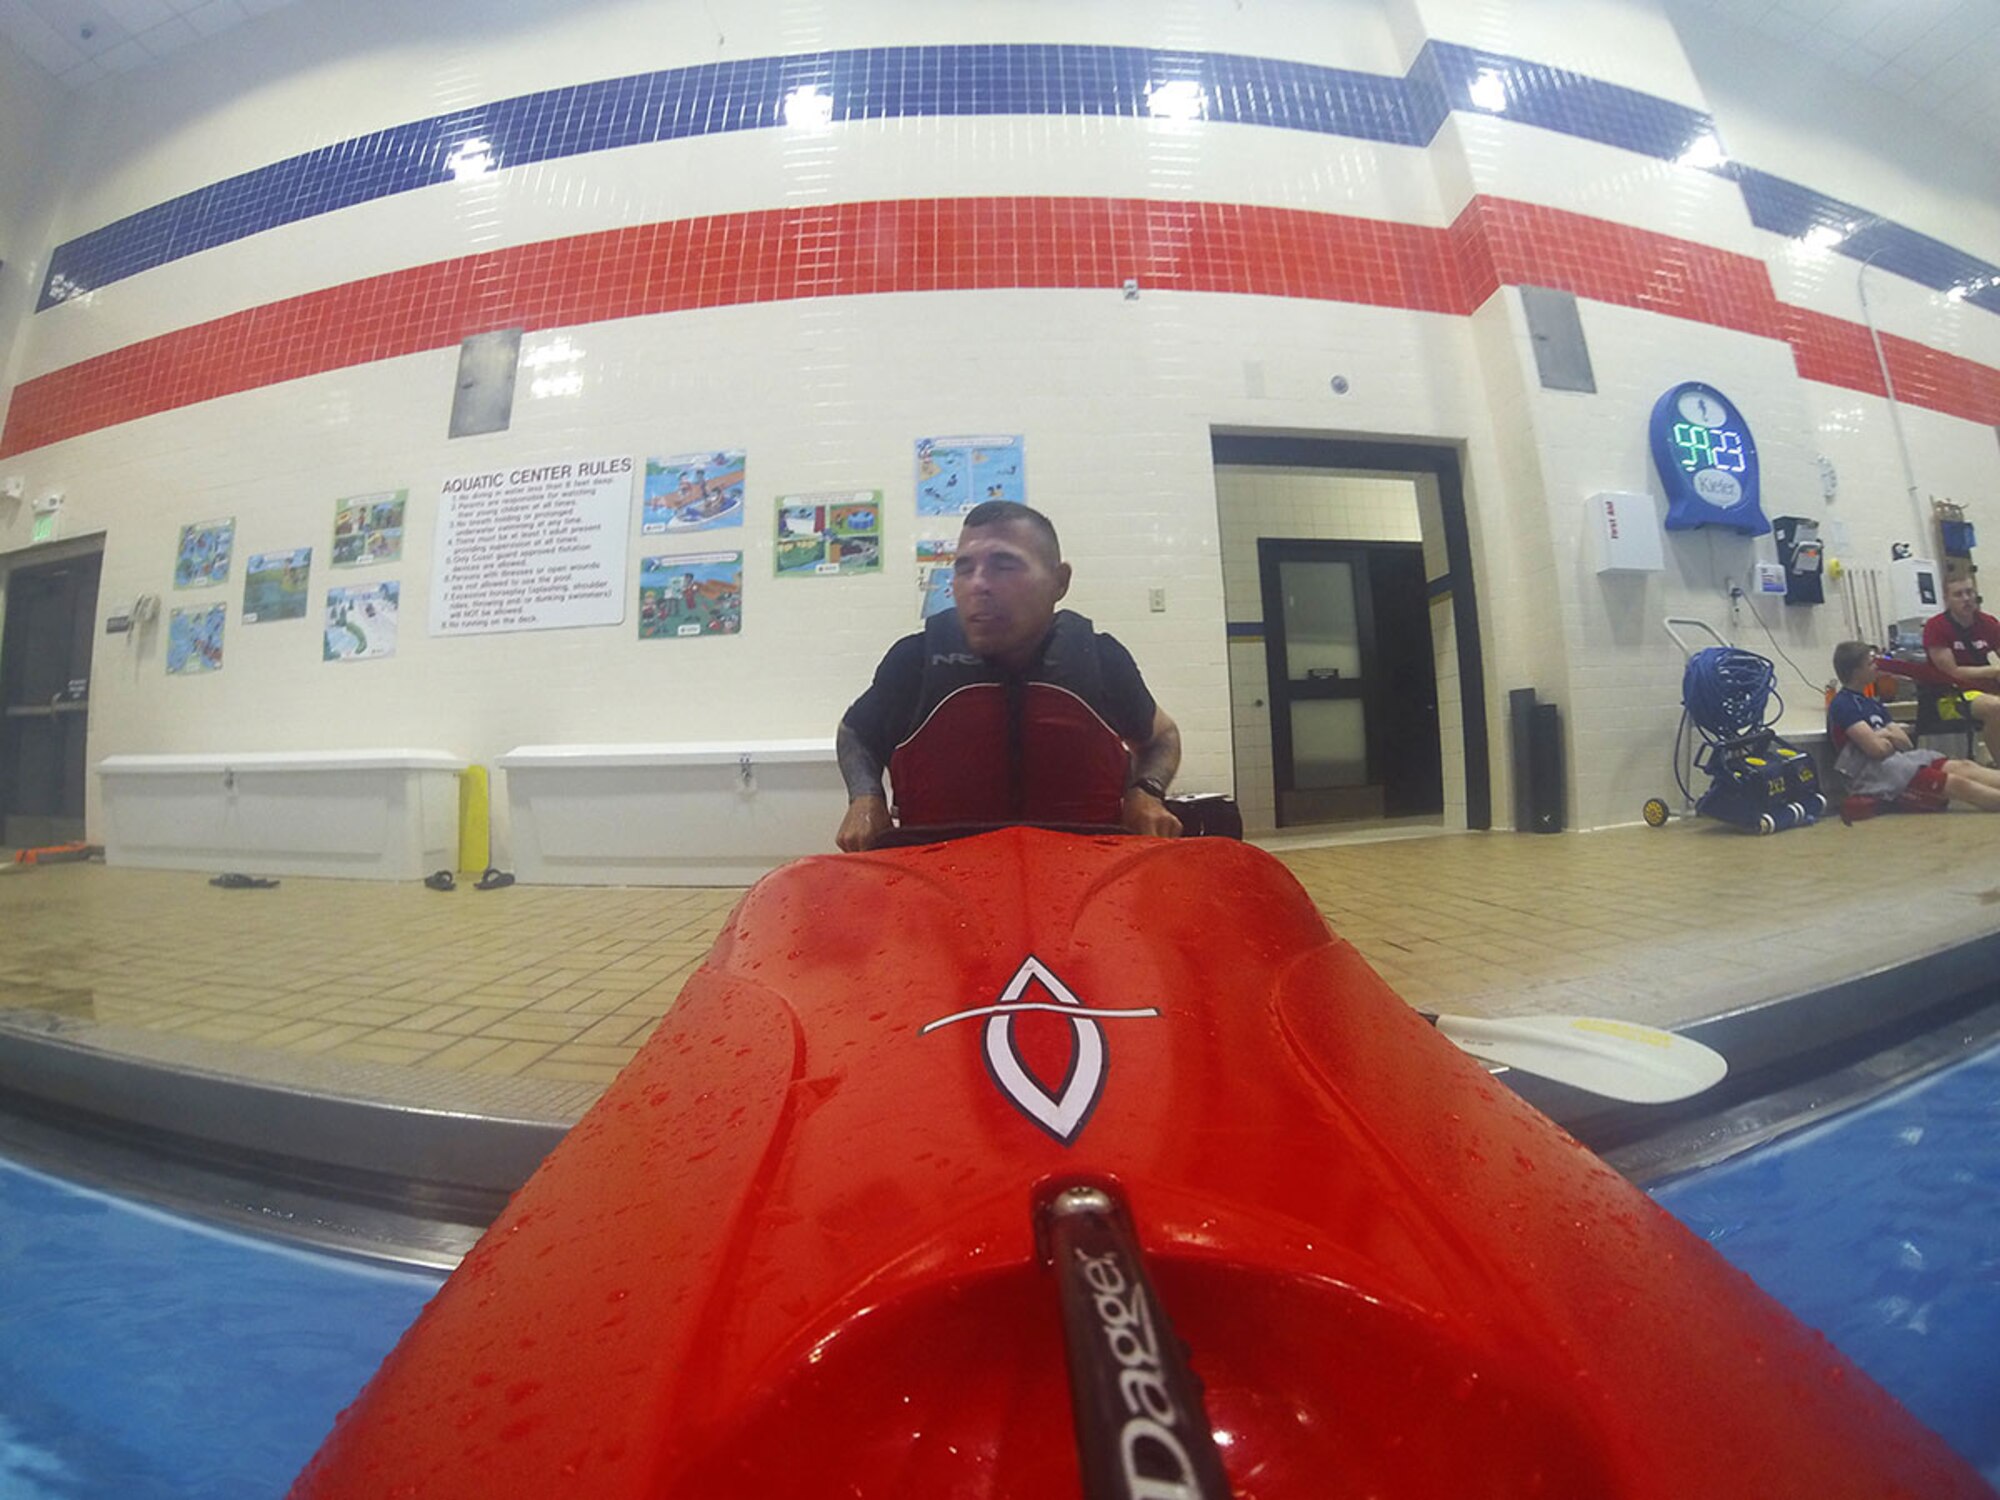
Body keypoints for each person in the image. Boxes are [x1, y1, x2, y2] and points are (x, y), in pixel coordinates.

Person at [836, 501, 1182, 850]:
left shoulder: (1101, 659)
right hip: (939, 871)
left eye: (1003, 565)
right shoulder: (913, 661)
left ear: (1059, 582)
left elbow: (1163, 737)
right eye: (964, 568)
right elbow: (855, 733)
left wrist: (1146, 792)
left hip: (1084, 870)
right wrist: (865, 797)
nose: (978, 584)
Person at [1828, 640, 2000, 813]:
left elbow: (1905, 743)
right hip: (1878, 773)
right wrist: (1887, 736)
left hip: (1900, 761)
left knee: (1963, 767)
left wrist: (1882, 735)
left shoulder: (1872, 703)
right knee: (1957, 784)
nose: (1876, 666)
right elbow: (1877, 750)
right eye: (1870, 663)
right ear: (1856, 671)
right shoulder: (1843, 704)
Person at [1921, 575, 2000, 762]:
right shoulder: (1936, 627)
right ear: (1946, 599)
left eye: (1969, 592)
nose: (1966, 598)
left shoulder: (1988, 623)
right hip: (1950, 696)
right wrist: (1994, 671)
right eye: (1958, 594)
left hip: (1987, 690)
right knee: (1996, 708)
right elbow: (1952, 672)